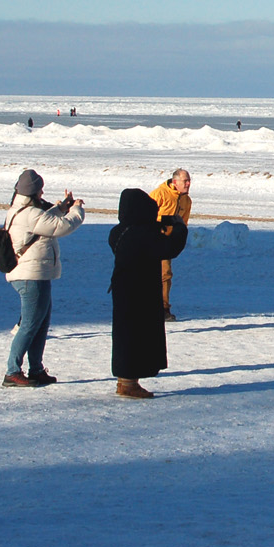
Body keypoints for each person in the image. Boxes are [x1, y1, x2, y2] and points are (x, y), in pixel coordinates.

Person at [0, 169, 85, 388]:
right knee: (30, 325)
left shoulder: (22, 209)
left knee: (39, 323)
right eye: (40, 189)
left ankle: (36, 369)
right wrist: (76, 211)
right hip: (30, 275)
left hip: (33, 274)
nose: (43, 192)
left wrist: (61, 207)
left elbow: (44, 220)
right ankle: (12, 371)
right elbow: (61, 226)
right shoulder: (30, 213)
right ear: (34, 191)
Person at [109, 188, 188, 399]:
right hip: (140, 291)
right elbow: (169, 248)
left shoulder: (119, 231)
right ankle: (128, 383)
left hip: (124, 288)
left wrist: (154, 227)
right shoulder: (141, 234)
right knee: (136, 336)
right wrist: (179, 227)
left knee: (126, 334)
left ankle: (125, 380)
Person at [149, 169, 192, 321]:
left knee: (165, 274)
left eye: (189, 181)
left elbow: (183, 225)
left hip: (166, 244)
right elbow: (144, 216)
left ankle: (163, 308)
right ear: (175, 182)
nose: (188, 184)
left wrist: (177, 241)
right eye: (185, 181)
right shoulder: (159, 194)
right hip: (150, 240)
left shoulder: (186, 201)